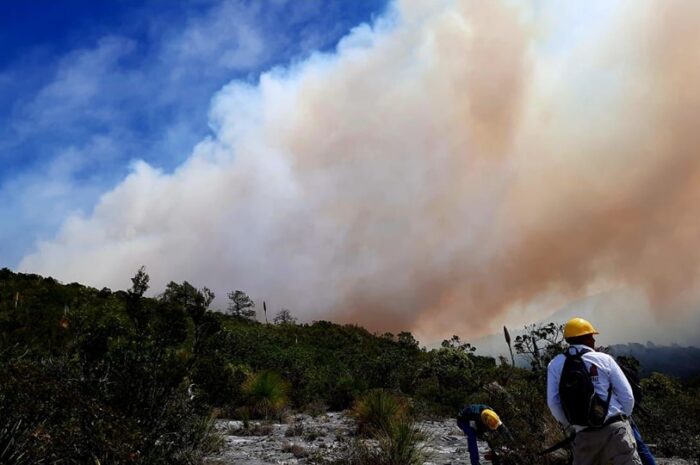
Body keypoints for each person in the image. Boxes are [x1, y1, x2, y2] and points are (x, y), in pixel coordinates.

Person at [547, 317, 642, 465]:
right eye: (591, 336)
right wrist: (624, 419)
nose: (594, 340)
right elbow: (627, 396)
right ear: (585, 338)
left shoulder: (555, 364)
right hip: (615, 430)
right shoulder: (604, 359)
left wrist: (572, 425)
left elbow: (553, 403)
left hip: (584, 436)